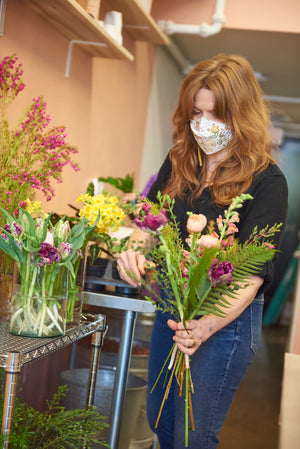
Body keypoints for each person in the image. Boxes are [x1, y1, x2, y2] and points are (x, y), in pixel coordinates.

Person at [117, 54, 288, 449]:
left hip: (225, 322)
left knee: (193, 436)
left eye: (216, 116)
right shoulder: (180, 162)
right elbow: (149, 223)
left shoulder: (267, 181)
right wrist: (133, 251)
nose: (203, 124)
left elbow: (253, 272)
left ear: (240, 115)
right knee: (162, 421)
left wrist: (208, 325)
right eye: (196, 112)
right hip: (172, 309)